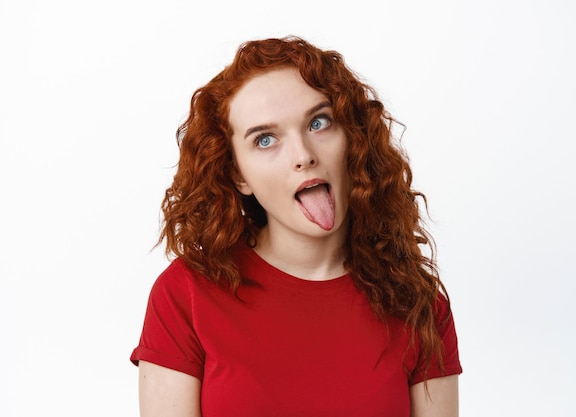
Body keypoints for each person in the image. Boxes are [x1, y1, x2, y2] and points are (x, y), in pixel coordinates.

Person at [130, 36, 462, 417]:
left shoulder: (418, 302)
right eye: (265, 140)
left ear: (353, 138)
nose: (304, 155)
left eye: (318, 123)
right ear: (238, 174)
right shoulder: (185, 295)